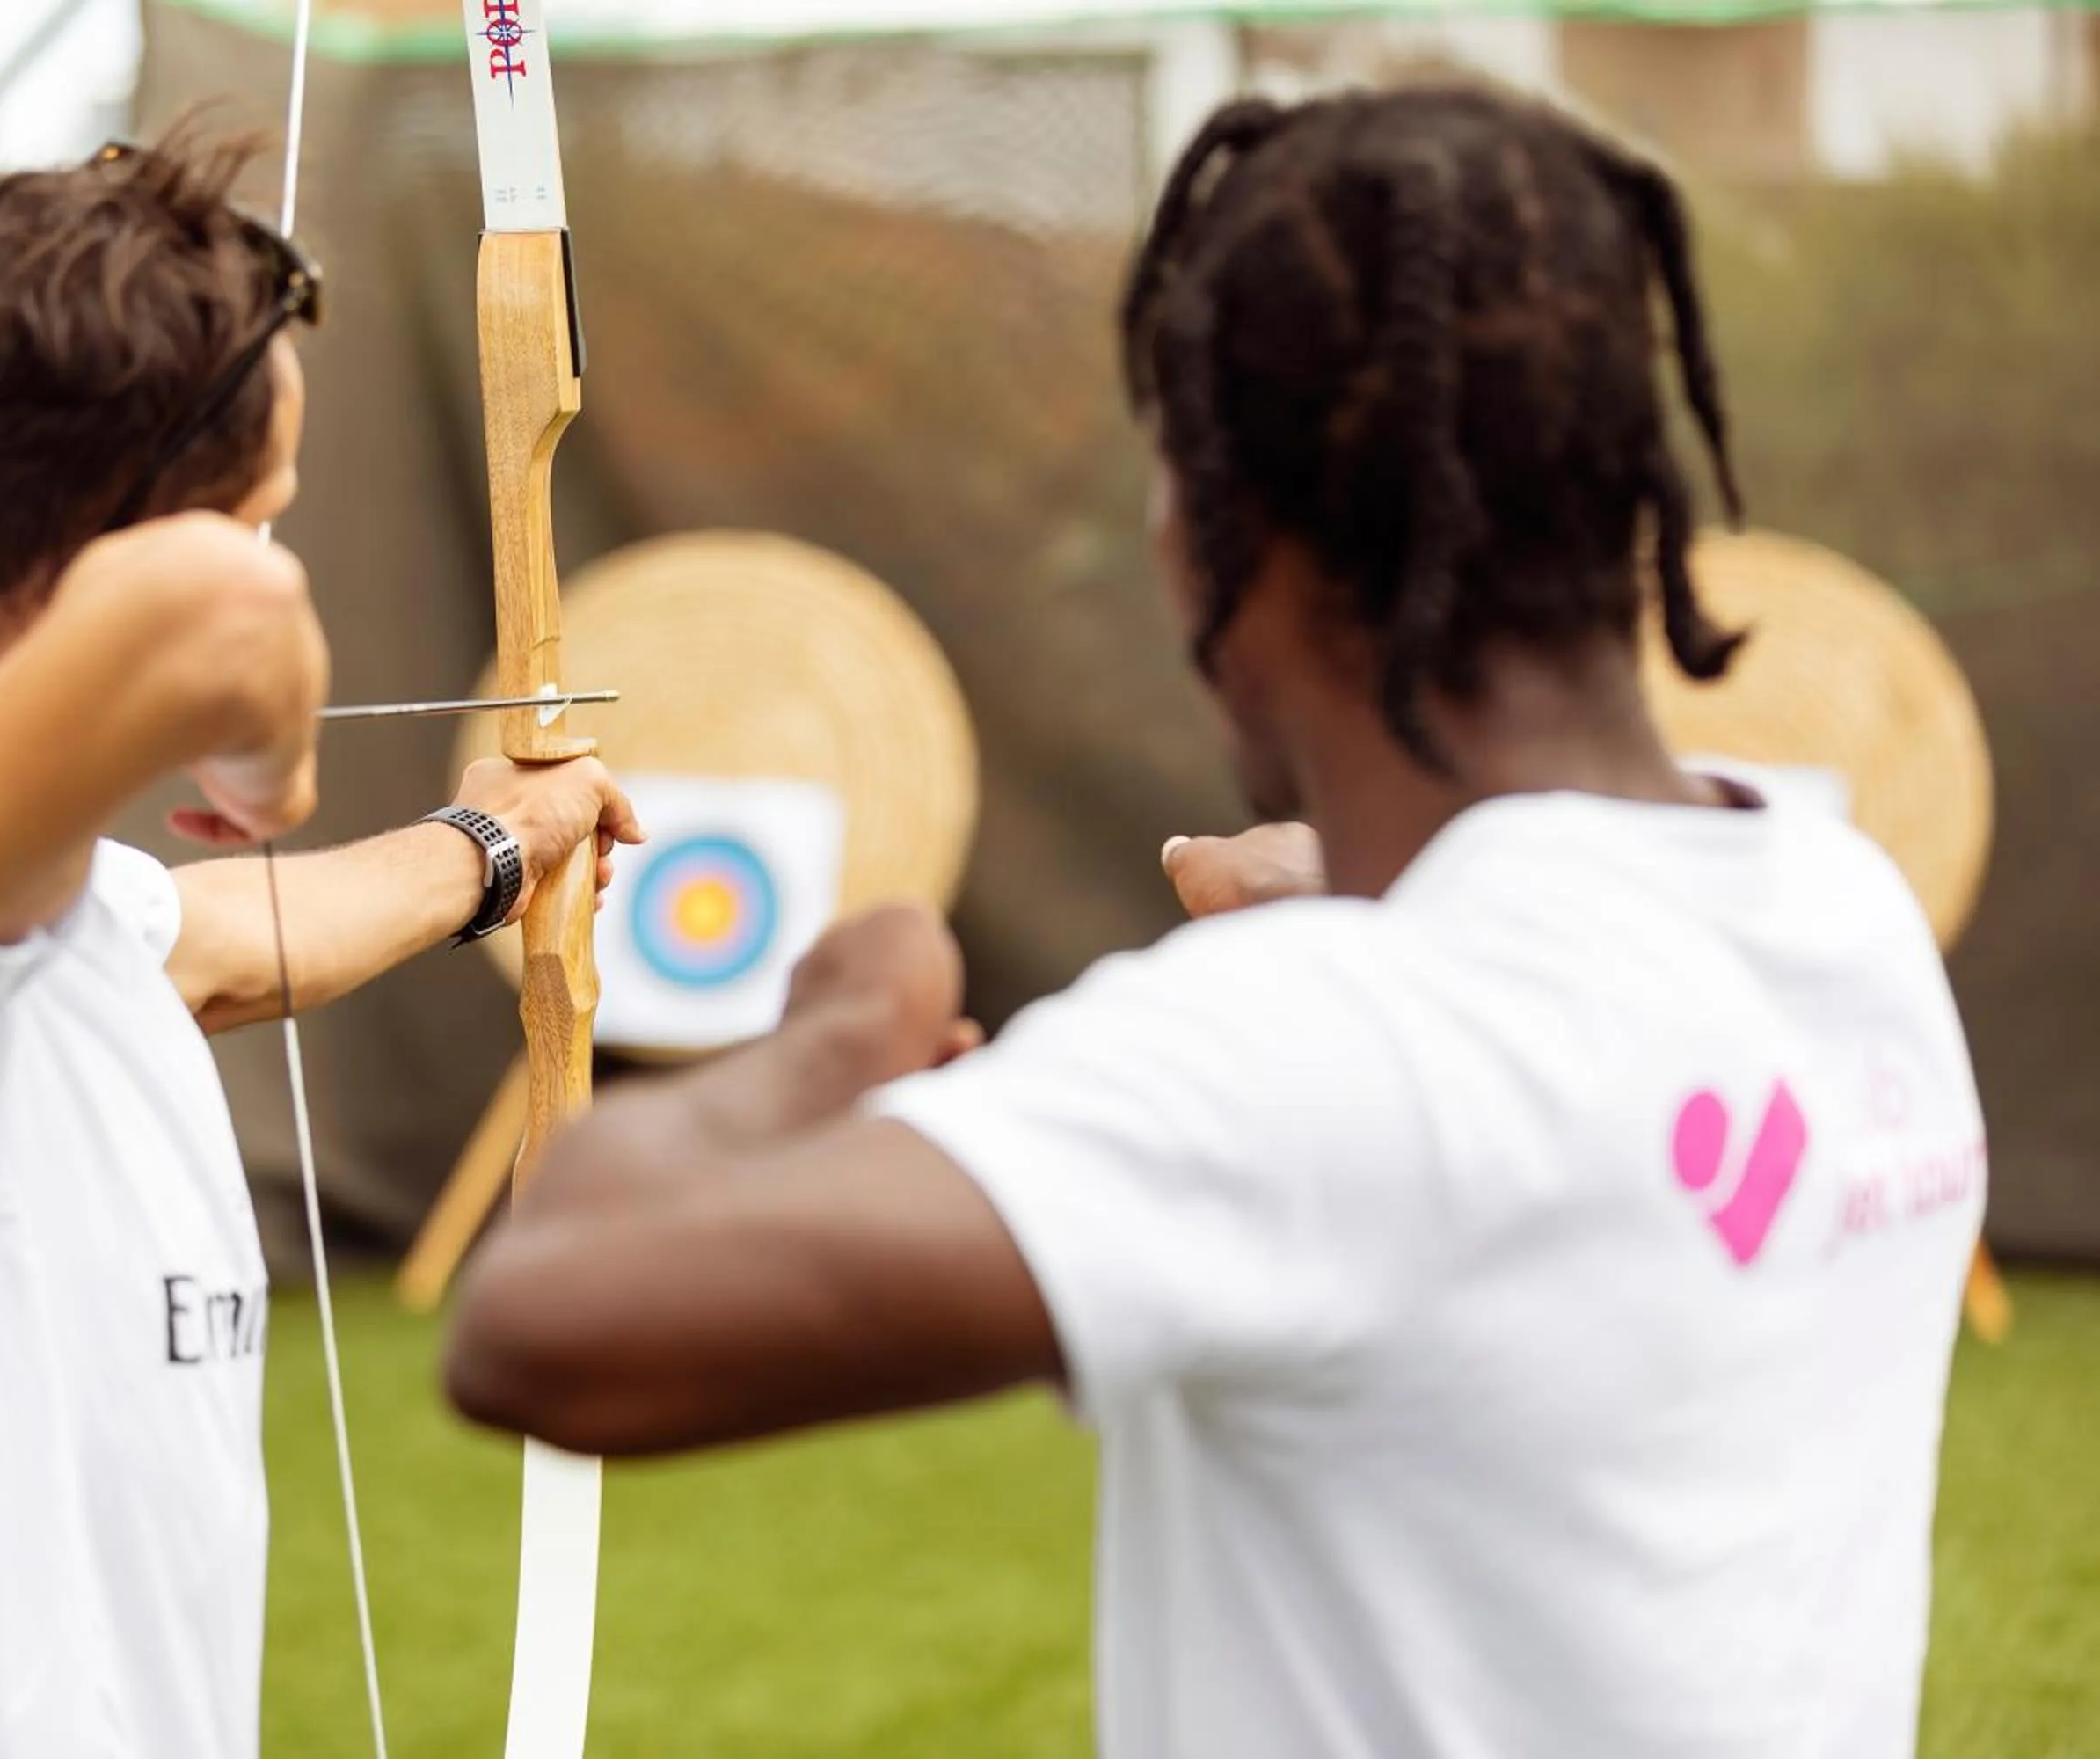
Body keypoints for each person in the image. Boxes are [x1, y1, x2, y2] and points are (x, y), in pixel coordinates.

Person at [444, 84, 1985, 1759]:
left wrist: (840, 1031)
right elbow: (1551, 1101)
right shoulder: (1836, 914)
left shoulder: (1321, 1054)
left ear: (1214, 545)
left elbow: (549, 1313)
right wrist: (1350, 916)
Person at [0, 128, 638, 1758]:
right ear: (154, 548)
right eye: (266, 525)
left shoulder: (18, 928)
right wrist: (267, 760)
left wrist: (500, 847)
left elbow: (218, 941)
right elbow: (218, 632)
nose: (273, 568)